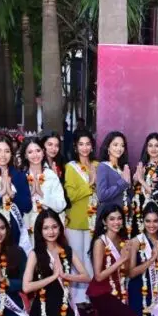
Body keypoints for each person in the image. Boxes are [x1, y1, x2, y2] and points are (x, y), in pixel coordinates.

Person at [22, 209, 90, 316]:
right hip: (43, 308)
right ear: (40, 230)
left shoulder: (67, 250)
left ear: (60, 228)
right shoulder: (35, 254)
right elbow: (26, 287)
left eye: (54, 227)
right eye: (46, 228)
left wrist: (67, 276)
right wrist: (52, 278)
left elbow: (86, 276)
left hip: (63, 306)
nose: (51, 231)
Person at [83, 205, 142, 316]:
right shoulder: (99, 242)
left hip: (118, 290)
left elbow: (127, 271)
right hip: (100, 292)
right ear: (104, 222)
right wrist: (121, 260)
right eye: (112, 219)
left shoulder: (122, 240)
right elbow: (98, 276)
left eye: (119, 218)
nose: (116, 222)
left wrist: (128, 255)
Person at [64, 130, 99, 306]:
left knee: (91, 258)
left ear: (92, 146)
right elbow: (70, 195)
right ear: (76, 147)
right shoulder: (71, 167)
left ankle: (89, 295)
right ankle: (75, 298)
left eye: (87, 144)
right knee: (76, 259)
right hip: (76, 221)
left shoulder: (98, 165)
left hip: (94, 221)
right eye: (81, 144)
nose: (84, 148)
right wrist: (90, 183)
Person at [20, 137, 67, 244]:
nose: (35, 155)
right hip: (28, 227)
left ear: (43, 152)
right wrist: (31, 194)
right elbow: (19, 205)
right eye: (30, 152)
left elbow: (61, 205)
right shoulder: (21, 177)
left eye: (38, 151)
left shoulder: (51, 175)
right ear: (25, 155)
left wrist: (42, 194)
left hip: (50, 229)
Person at [132, 132, 158, 237]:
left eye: (156, 145)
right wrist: (134, 181)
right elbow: (132, 194)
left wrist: (141, 180)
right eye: (150, 145)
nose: (153, 149)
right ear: (146, 148)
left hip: (153, 217)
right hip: (137, 214)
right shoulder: (142, 167)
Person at [96, 131, 133, 236]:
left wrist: (133, 182)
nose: (119, 148)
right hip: (110, 219)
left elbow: (127, 194)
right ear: (108, 147)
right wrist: (123, 182)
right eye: (115, 145)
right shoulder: (103, 167)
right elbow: (102, 195)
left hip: (123, 218)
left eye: (122, 145)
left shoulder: (123, 168)